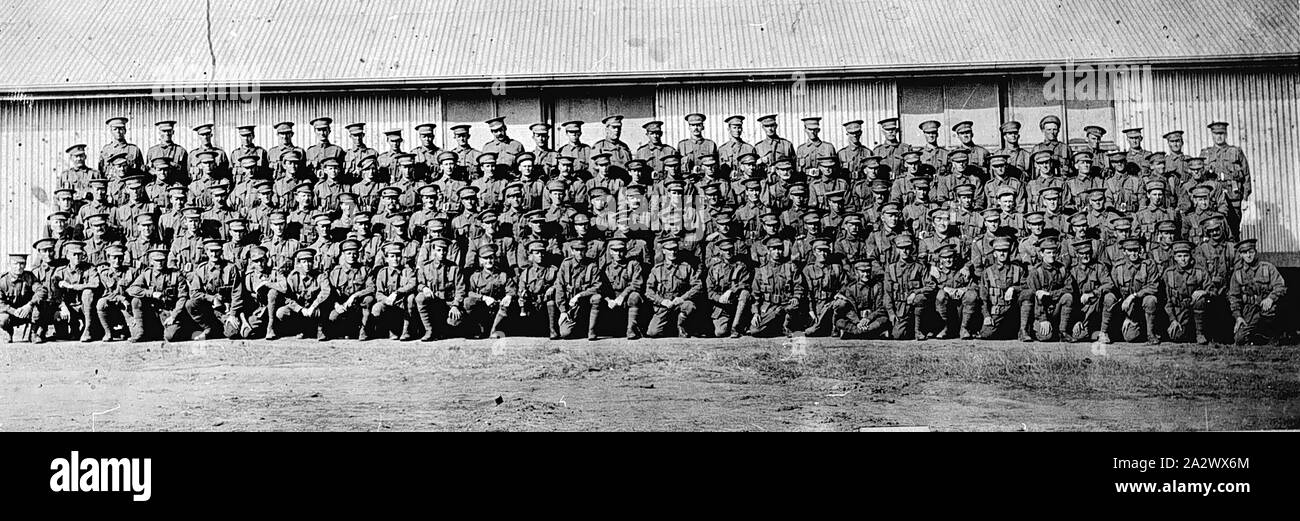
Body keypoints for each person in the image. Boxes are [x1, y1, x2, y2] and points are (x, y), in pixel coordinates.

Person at [1101, 238, 1161, 345]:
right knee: (1130, 337)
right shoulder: (1118, 267)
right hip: (1125, 309)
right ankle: (1104, 333)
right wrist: (1124, 316)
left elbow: (1154, 286)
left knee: (1151, 299)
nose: (1133, 253)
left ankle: (1151, 334)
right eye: (1130, 250)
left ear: (1140, 250)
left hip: (1141, 307)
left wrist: (1134, 296)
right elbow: (1112, 288)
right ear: (1124, 252)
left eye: (1136, 250)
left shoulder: (1148, 265)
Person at [1228, 239, 1285, 345]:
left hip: (1266, 308)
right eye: (1245, 253)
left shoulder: (1268, 268)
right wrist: (1238, 317)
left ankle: (1272, 334)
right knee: (1239, 339)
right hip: (1249, 311)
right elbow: (1234, 297)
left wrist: (1270, 298)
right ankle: (1258, 336)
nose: (1248, 255)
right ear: (1240, 255)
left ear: (1255, 252)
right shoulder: (1238, 274)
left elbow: (1280, 286)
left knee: (1269, 311)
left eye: (1251, 252)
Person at [644, 236, 703, 338]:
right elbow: (648, 291)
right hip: (663, 306)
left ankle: (681, 325)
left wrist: (682, 298)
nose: (672, 252)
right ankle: (670, 328)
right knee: (653, 332)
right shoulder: (657, 270)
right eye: (669, 249)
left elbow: (698, 286)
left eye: (674, 249)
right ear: (663, 251)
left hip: (679, 303)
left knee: (689, 306)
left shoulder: (686, 267)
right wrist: (662, 301)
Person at [126, 248, 189, 342]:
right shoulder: (146, 274)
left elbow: (183, 297)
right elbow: (131, 289)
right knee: (136, 300)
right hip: (152, 313)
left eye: (162, 260)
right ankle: (141, 332)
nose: (159, 263)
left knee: (171, 336)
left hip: (168, 312)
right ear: (151, 261)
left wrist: (174, 316)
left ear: (166, 260)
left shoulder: (176, 275)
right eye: (156, 261)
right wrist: (151, 293)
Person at [185, 239, 244, 340]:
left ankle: (220, 328)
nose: (214, 254)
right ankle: (208, 328)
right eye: (211, 251)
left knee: (232, 333)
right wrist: (211, 298)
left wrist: (233, 314)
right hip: (208, 309)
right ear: (206, 252)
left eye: (217, 251)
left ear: (221, 251)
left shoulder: (230, 268)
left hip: (226, 310)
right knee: (190, 304)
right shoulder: (201, 270)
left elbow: (237, 293)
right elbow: (194, 293)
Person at [748, 237, 804, 337]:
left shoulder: (790, 267)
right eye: (773, 249)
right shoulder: (761, 271)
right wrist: (755, 313)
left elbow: (798, 286)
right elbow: (755, 295)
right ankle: (777, 326)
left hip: (786, 306)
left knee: (793, 307)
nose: (777, 252)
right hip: (769, 307)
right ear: (768, 251)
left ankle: (786, 325)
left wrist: (796, 297)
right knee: (754, 331)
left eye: (780, 249)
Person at [1162, 240, 1214, 345]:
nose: (1183, 259)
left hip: (1197, 311)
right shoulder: (1169, 274)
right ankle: (1187, 331)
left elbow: (1213, 290)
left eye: (1186, 255)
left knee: (1201, 300)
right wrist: (1173, 320)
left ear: (1190, 256)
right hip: (1179, 311)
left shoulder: (1199, 272)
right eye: (1179, 256)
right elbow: (1167, 301)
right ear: (1175, 258)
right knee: (1176, 336)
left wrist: (1204, 292)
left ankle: (1200, 333)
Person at [978, 237, 1029, 340]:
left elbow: (1027, 287)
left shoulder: (1018, 270)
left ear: (1009, 252)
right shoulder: (987, 272)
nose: (1002, 254)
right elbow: (983, 298)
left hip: (1014, 311)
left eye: (1005, 251)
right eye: (999, 251)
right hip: (997, 311)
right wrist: (986, 316)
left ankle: (1023, 330)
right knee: (986, 334)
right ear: (994, 253)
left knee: (1027, 297)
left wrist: (1013, 288)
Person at [1025, 237, 1075, 341]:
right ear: (1042, 254)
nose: (1052, 255)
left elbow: (1070, 289)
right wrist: (1043, 319)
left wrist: (1050, 294)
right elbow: (1035, 296)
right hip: (1040, 311)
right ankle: (1035, 327)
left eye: (1054, 252)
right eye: (1048, 253)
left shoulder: (1062, 269)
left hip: (1056, 308)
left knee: (1068, 297)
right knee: (1045, 337)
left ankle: (1063, 331)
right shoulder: (1036, 272)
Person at [883, 233, 931, 340]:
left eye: (907, 248)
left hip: (916, 307)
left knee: (921, 298)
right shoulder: (891, 269)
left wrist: (915, 293)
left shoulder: (919, 267)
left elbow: (931, 285)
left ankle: (918, 330)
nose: (905, 251)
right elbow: (887, 293)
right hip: (900, 308)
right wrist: (891, 313)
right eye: (901, 248)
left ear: (912, 248)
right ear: (897, 250)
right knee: (898, 335)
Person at [369, 242, 419, 340]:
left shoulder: (407, 271)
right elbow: (378, 293)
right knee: (377, 309)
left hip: (405, 307)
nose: (395, 259)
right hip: (390, 305)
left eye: (398, 256)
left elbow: (413, 284)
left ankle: (406, 330)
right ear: (387, 259)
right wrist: (386, 299)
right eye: (392, 256)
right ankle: (391, 330)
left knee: (411, 298)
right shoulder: (382, 273)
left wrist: (397, 293)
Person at [599, 237, 645, 340]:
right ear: (610, 252)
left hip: (626, 299)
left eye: (621, 251)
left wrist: (622, 296)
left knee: (635, 296)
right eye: (615, 251)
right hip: (612, 302)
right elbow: (601, 288)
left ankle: (631, 329)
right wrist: (608, 300)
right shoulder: (606, 268)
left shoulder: (633, 264)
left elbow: (636, 284)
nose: (618, 254)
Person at [929, 244, 977, 339]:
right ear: (940, 259)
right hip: (944, 307)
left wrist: (964, 289)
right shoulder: (935, 272)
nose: (948, 260)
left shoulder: (963, 270)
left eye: (950, 257)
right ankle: (944, 328)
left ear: (955, 257)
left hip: (960, 307)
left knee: (971, 295)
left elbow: (975, 286)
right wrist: (944, 288)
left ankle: (964, 328)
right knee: (940, 295)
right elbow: (931, 287)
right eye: (945, 258)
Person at [835, 256, 890, 339]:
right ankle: (869, 333)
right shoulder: (851, 288)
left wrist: (868, 319)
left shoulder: (877, 287)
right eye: (862, 272)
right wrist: (858, 322)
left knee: (884, 320)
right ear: (857, 272)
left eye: (868, 271)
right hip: (856, 321)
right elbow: (850, 309)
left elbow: (881, 308)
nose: (866, 274)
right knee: (840, 322)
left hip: (871, 320)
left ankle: (854, 333)